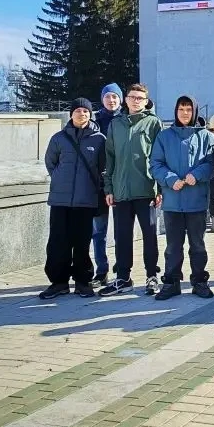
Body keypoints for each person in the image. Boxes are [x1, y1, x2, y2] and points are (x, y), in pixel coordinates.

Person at [99, 83, 164, 297]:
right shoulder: (115, 124)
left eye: (140, 98)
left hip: (146, 189)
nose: (136, 101)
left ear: (146, 102)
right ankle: (123, 278)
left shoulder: (153, 123)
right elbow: (110, 158)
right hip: (121, 191)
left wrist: (159, 188)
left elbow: (159, 157)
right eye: (132, 97)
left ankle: (151, 276)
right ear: (125, 100)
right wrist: (109, 187)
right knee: (122, 236)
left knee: (149, 235)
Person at [150, 95, 214, 300]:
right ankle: (171, 282)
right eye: (181, 109)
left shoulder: (206, 136)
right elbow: (156, 164)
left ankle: (199, 281)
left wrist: (197, 175)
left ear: (195, 112)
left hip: (196, 201)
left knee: (197, 245)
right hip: (172, 201)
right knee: (172, 246)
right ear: (176, 111)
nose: (185, 113)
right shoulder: (164, 136)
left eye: (189, 109)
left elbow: (212, 163)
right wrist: (170, 179)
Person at [40, 98, 105, 299]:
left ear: (90, 114)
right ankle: (58, 282)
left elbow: (103, 168)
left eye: (86, 111)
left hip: (85, 200)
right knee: (58, 242)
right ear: (71, 114)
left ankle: (82, 281)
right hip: (60, 200)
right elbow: (50, 163)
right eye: (78, 110)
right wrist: (60, 179)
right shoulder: (58, 138)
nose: (82, 114)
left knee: (82, 242)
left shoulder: (99, 139)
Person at [90, 83, 122, 286]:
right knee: (98, 231)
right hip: (99, 185)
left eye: (115, 97)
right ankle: (101, 271)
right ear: (102, 99)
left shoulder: (125, 120)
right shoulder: (94, 122)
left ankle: (122, 268)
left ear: (120, 99)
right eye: (108, 97)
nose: (111, 100)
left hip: (120, 182)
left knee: (121, 231)